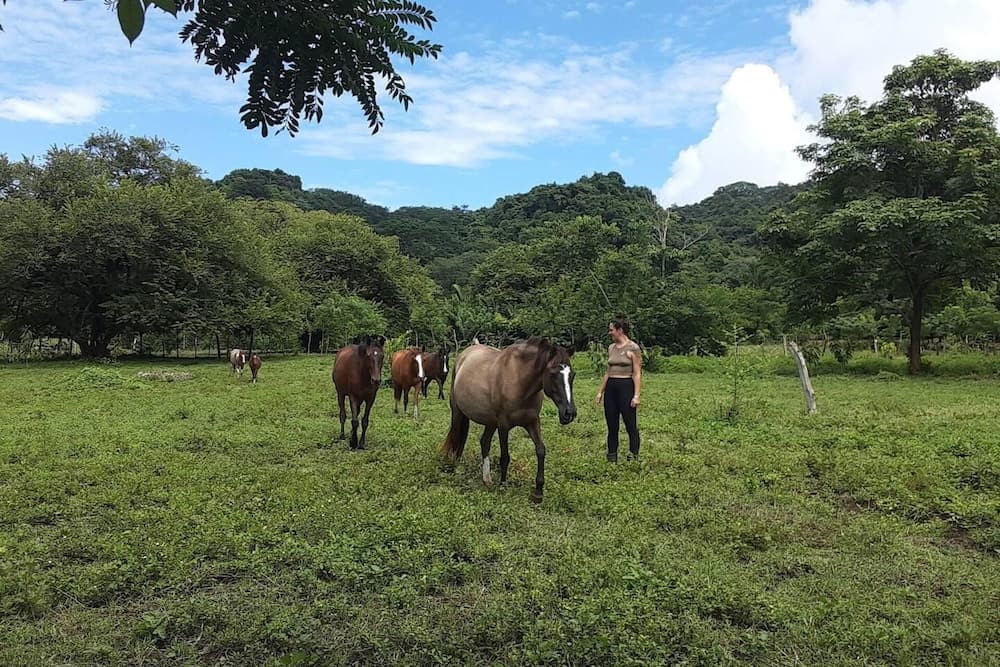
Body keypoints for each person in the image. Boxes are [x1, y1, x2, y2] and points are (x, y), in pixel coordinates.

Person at [595, 315, 642, 462]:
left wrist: (636, 395)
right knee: (612, 424)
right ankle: (611, 456)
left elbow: (637, 373)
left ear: (620, 330)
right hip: (611, 389)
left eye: (611, 330)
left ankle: (633, 455)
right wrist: (600, 392)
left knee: (630, 424)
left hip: (626, 387)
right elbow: (608, 372)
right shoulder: (611, 348)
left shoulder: (633, 348)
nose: (609, 333)